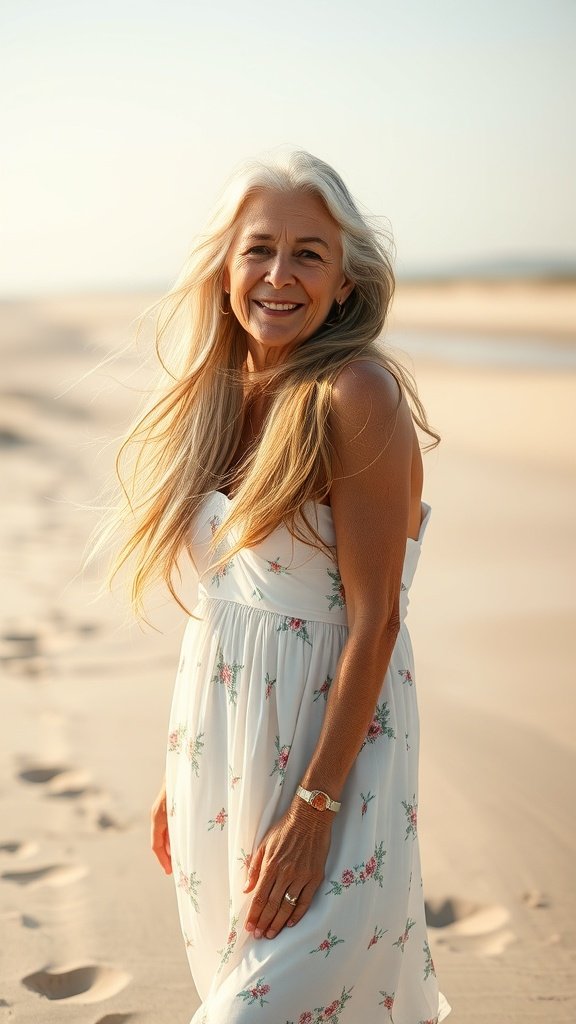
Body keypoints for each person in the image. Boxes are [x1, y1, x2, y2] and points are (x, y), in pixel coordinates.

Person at [112, 150, 451, 1023]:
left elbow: (375, 623)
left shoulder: (355, 394)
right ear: (226, 267)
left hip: (334, 756)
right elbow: (233, 608)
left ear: (344, 283)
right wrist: (180, 772)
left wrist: (314, 809)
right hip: (222, 749)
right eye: (259, 248)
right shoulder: (220, 398)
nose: (278, 275)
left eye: (309, 253)